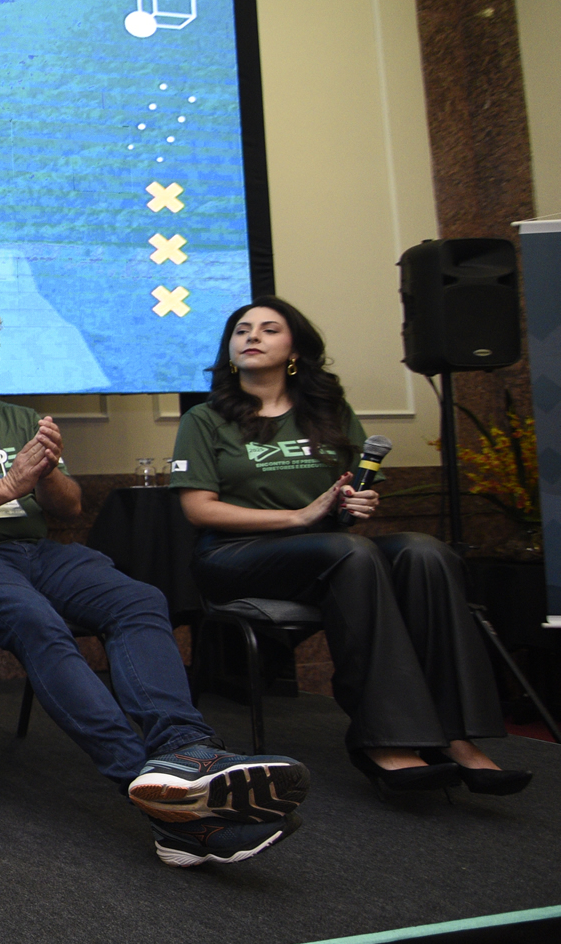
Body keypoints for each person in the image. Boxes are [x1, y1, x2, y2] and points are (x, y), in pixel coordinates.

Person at [0, 302, 311, 867]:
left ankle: (187, 750)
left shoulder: (22, 418)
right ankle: (147, 783)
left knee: (139, 599)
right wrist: (9, 484)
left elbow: (69, 507)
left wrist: (47, 473)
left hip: (35, 551)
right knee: (37, 621)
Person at [172, 296, 530, 796]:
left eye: (269, 329)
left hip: (324, 550)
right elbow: (198, 509)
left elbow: (345, 499)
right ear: (230, 350)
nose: (252, 336)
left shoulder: (329, 413)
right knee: (349, 553)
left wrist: (355, 504)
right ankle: (385, 739)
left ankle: (456, 735)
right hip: (233, 555)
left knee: (424, 552)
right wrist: (299, 517)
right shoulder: (205, 418)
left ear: (295, 350)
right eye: (242, 330)